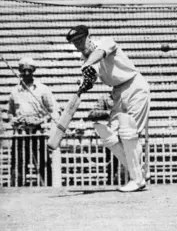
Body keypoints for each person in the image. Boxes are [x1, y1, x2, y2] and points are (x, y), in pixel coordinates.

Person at [66, 24, 152, 192]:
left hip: (135, 86)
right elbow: (90, 79)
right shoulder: (86, 60)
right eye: (75, 43)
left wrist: (86, 65)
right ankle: (139, 175)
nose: (78, 45)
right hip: (117, 93)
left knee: (128, 132)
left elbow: (99, 54)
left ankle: (138, 179)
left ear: (88, 37)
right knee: (110, 136)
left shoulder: (105, 43)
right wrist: (85, 83)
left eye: (80, 40)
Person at [7, 57, 60, 186]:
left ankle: (46, 188)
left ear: (33, 71)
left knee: (43, 162)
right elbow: (9, 112)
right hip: (21, 133)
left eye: (29, 70)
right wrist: (14, 120)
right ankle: (16, 189)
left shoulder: (43, 89)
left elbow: (54, 110)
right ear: (19, 71)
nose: (26, 73)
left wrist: (41, 120)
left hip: (39, 133)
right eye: (23, 70)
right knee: (18, 163)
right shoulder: (14, 91)